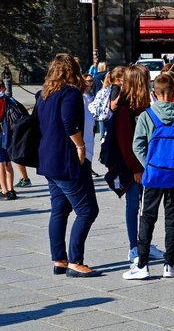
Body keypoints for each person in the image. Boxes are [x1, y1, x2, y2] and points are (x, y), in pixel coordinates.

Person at [123, 74, 174, 280]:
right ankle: (169, 263)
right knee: (172, 217)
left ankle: (142, 264)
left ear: (154, 94)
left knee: (147, 216)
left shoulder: (146, 116)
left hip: (154, 174)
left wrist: (148, 166)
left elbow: (136, 145)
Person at [37, 53, 101, 277]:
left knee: (60, 210)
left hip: (48, 158)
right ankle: (75, 260)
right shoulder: (70, 93)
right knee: (87, 210)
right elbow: (69, 123)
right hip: (67, 159)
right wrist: (81, 146)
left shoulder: (44, 94)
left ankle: (60, 259)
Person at [109, 65, 165, 263]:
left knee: (146, 206)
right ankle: (134, 247)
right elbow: (127, 143)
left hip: (146, 162)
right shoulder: (125, 108)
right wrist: (136, 168)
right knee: (134, 205)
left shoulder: (143, 105)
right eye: (147, 78)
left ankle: (144, 243)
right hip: (132, 166)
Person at [0, 80, 17, 200]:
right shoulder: (9, 100)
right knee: (8, 162)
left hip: (0, 133)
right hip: (8, 135)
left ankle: (4, 190)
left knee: (1, 163)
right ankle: (11, 189)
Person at [81, 74, 100, 178]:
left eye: (91, 81)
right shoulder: (81, 95)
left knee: (90, 147)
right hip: (83, 127)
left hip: (91, 125)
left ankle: (89, 167)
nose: (90, 83)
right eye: (88, 81)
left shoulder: (92, 94)